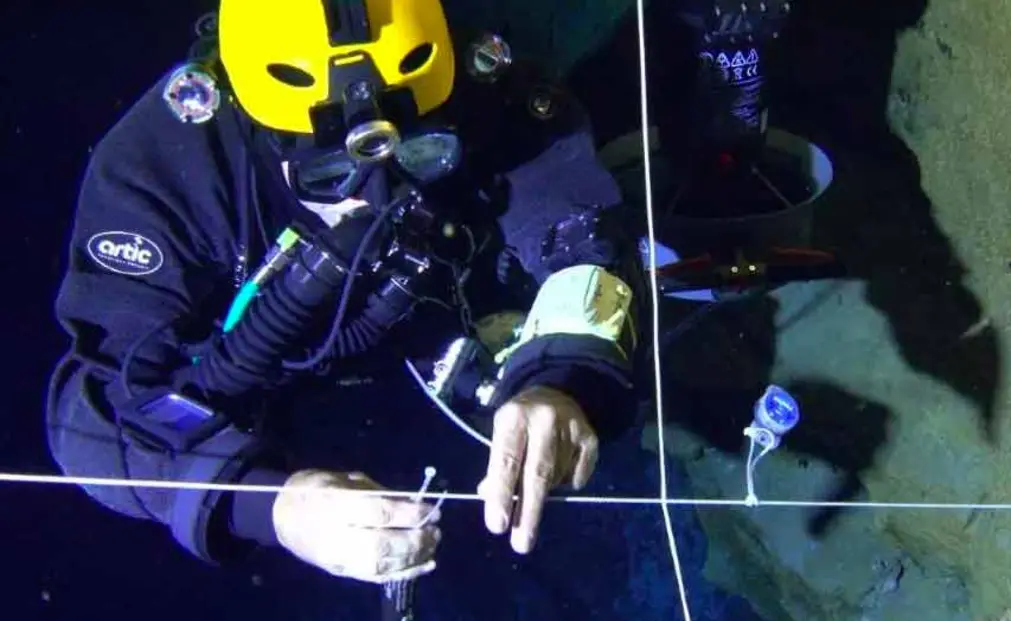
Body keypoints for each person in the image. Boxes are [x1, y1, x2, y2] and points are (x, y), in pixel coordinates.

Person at [44, 0, 642, 584]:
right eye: (329, 179)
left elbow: (580, 235)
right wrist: (271, 505)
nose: (374, 195)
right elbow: (92, 411)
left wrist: (562, 374)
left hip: (439, 304)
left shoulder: (483, 87)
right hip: (258, 374)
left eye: (417, 153)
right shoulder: (164, 169)